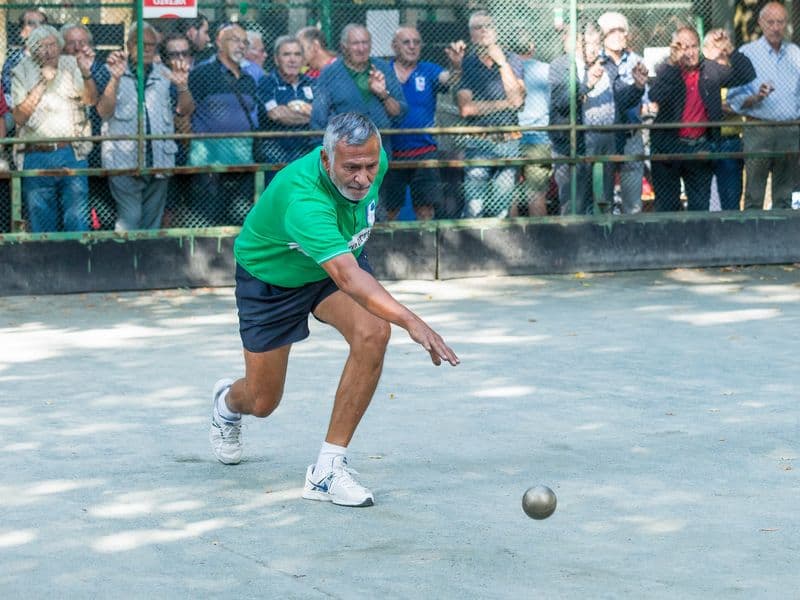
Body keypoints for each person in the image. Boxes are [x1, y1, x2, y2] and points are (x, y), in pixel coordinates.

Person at [210, 112, 459, 507]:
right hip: (273, 280)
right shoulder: (303, 199)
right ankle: (226, 402)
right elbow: (348, 276)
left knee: (375, 331)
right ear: (326, 160)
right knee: (262, 401)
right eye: (351, 168)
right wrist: (413, 320)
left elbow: (347, 268)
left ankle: (327, 469)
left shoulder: (373, 162)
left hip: (334, 262)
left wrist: (396, 320)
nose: (363, 178)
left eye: (370, 166)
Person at [96, 23, 192, 232]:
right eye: (143, 44)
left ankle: (148, 264)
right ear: (130, 45)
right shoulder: (111, 71)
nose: (148, 49)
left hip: (159, 158)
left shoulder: (165, 74)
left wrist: (182, 86)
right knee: (130, 218)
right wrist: (115, 78)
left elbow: (185, 110)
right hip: (123, 160)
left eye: (153, 45)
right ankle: (124, 261)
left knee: (152, 223)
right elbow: (103, 111)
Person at [649, 26, 755, 211]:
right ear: (675, 49)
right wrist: (674, 64)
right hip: (668, 148)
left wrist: (728, 49)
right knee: (667, 208)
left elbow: (746, 74)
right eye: (684, 47)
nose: (690, 53)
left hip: (699, 149)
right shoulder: (668, 69)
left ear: (699, 47)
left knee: (699, 209)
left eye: (693, 46)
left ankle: (698, 239)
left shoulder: (710, 69)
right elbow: (655, 94)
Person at [11, 24, 97, 232]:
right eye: (41, 47)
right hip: (36, 154)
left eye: (52, 45)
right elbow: (19, 117)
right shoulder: (21, 69)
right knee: (42, 222)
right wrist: (42, 83)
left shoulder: (72, 64)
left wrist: (86, 73)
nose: (48, 51)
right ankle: (45, 264)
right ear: (32, 50)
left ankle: (78, 261)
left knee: (77, 220)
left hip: (71, 152)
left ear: (59, 46)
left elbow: (91, 100)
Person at [384, 26, 464, 220]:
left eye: (416, 42)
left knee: (425, 209)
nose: (412, 46)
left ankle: (427, 249)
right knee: (389, 210)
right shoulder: (383, 71)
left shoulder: (428, 70)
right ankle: (388, 250)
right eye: (406, 42)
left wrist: (456, 66)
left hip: (424, 152)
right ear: (394, 46)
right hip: (390, 151)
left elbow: (449, 79)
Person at [727, 1, 800, 210]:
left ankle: (782, 240)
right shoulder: (747, 53)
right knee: (754, 194)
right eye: (771, 22)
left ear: (786, 24)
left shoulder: (795, 53)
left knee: (786, 195)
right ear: (760, 23)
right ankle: (752, 239)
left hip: (790, 131)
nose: (776, 27)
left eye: (780, 22)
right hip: (758, 130)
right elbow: (733, 99)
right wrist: (756, 98)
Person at [188, 23, 259, 226]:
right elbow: (185, 114)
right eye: (235, 40)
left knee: (241, 221)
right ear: (219, 42)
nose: (241, 46)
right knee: (207, 220)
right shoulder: (202, 74)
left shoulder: (248, 79)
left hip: (243, 163)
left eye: (245, 42)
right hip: (209, 164)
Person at [456, 10, 526, 218]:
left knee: (501, 209)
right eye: (478, 27)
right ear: (471, 34)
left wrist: (502, 63)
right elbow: (466, 108)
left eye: (489, 26)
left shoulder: (512, 59)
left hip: (509, 143)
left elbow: (518, 99)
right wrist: (505, 103)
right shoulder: (468, 63)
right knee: (475, 207)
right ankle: (470, 248)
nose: (485, 30)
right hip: (478, 142)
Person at [310, 23, 407, 158]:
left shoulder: (383, 68)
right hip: (345, 156)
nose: (361, 48)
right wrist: (323, 153)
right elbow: (318, 118)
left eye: (365, 43)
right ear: (344, 46)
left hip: (380, 152)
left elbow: (400, 113)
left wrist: (383, 95)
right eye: (355, 43)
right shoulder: (329, 73)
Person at [591, 12, 648, 214]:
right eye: (611, 31)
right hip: (604, 138)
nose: (617, 35)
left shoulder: (637, 61)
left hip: (631, 135)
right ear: (602, 36)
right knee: (602, 200)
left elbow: (646, 101)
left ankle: (632, 241)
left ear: (627, 34)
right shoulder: (595, 62)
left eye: (621, 30)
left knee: (632, 204)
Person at [549, 21, 601, 215]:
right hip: (567, 145)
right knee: (571, 200)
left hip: (593, 144)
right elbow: (561, 103)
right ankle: (570, 240)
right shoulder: (559, 65)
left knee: (589, 200)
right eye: (591, 43)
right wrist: (586, 85)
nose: (596, 48)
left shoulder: (596, 66)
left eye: (597, 43)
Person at [61, 22, 110, 229]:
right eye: (71, 43)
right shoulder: (57, 71)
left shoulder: (102, 70)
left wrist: (87, 70)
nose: (78, 47)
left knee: (102, 209)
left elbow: (102, 107)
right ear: (63, 47)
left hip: (98, 146)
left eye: (82, 42)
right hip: (69, 150)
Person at [257, 35, 314, 167]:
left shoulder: (312, 83)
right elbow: (276, 115)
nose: (292, 60)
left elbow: (323, 114)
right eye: (286, 54)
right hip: (275, 149)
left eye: (297, 54)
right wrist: (309, 114)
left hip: (307, 148)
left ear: (303, 60)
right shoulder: (267, 82)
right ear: (277, 60)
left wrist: (290, 111)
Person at [513, 28, 551, 217]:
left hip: (512, 136)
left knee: (508, 193)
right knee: (536, 194)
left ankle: (508, 239)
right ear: (532, 47)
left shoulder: (506, 70)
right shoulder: (546, 69)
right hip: (539, 136)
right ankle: (541, 238)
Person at [161, 32, 195, 227]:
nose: (181, 58)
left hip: (194, 153)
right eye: (174, 54)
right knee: (168, 208)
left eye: (185, 53)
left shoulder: (198, 75)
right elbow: (181, 117)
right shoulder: (161, 80)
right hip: (170, 153)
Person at [2, 9, 48, 108]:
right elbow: (8, 92)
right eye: (31, 23)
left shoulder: (55, 57)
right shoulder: (13, 60)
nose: (38, 27)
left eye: (42, 23)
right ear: (22, 31)